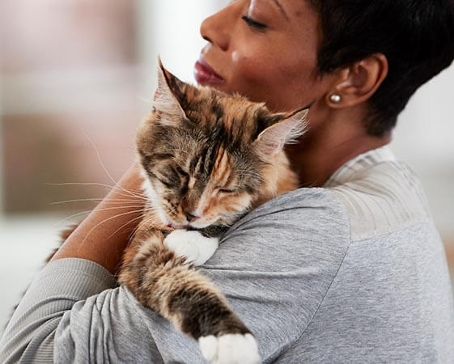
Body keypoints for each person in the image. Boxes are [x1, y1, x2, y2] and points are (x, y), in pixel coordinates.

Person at [1, 0, 454, 362]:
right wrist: (184, 138)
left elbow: (30, 352)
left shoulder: (316, 232)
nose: (210, 25)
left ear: (355, 78)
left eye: (256, 18)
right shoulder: (388, 187)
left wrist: (170, 143)